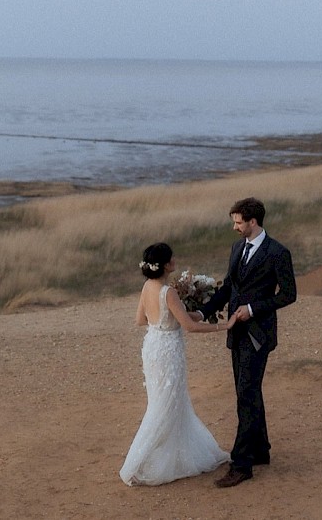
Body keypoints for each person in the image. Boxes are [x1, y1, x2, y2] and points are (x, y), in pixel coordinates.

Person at [200, 197, 297, 488]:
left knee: (246, 394)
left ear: (252, 222)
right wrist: (203, 311)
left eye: (238, 222)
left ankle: (241, 464)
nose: (234, 227)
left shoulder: (278, 252)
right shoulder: (237, 247)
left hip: (258, 335)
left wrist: (252, 309)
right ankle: (261, 451)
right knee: (249, 392)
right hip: (236, 333)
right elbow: (230, 285)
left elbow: (288, 294)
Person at [120, 242, 232, 486]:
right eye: (172, 258)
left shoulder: (148, 286)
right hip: (169, 351)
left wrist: (173, 313)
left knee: (162, 401)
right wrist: (223, 325)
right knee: (166, 404)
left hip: (152, 347)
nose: (175, 260)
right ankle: (140, 463)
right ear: (166, 264)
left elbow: (140, 319)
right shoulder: (167, 292)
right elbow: (190, 326)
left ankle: (165, 455)